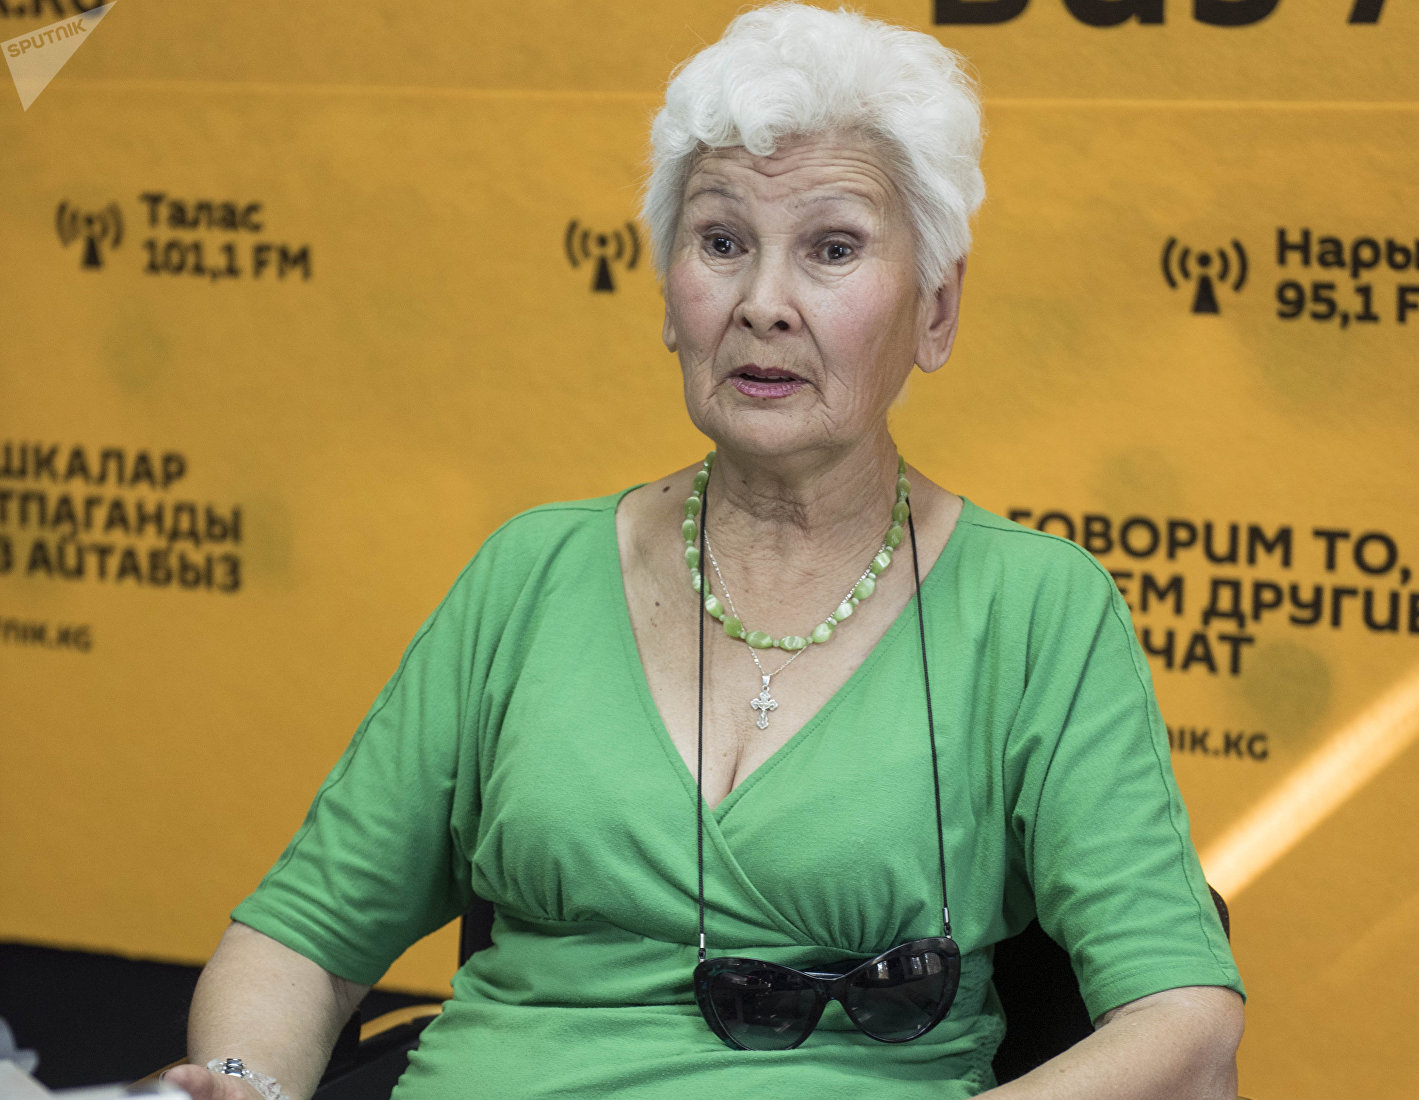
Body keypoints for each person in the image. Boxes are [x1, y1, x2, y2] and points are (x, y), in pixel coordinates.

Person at [166, 5, 1243, 1098]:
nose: (763, 305)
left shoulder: (1036, 610)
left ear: (935, 308)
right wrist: (245, 1080)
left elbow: (1186, 1026)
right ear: (670, 296)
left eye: (832, 249)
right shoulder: (529, 574)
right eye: (722, 243)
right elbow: (301, 937)